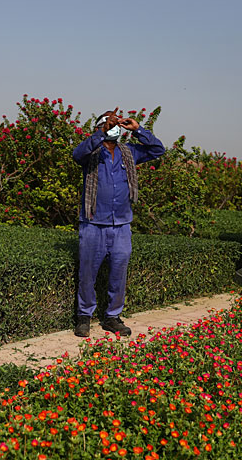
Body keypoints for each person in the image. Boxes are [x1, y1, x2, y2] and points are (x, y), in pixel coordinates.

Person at [72, 108, 165, 337]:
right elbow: (77, 154)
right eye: (108, 123)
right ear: (100, 127)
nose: (113, 127)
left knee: (118, 272)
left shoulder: (129, 152)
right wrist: (100, 134)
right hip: (93, 223)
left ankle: (112, 317)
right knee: (87, 272)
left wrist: (138, 129)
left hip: (122, 224)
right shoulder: (91, 152)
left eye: (116, 124)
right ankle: (84, 316)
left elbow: (158, 150)